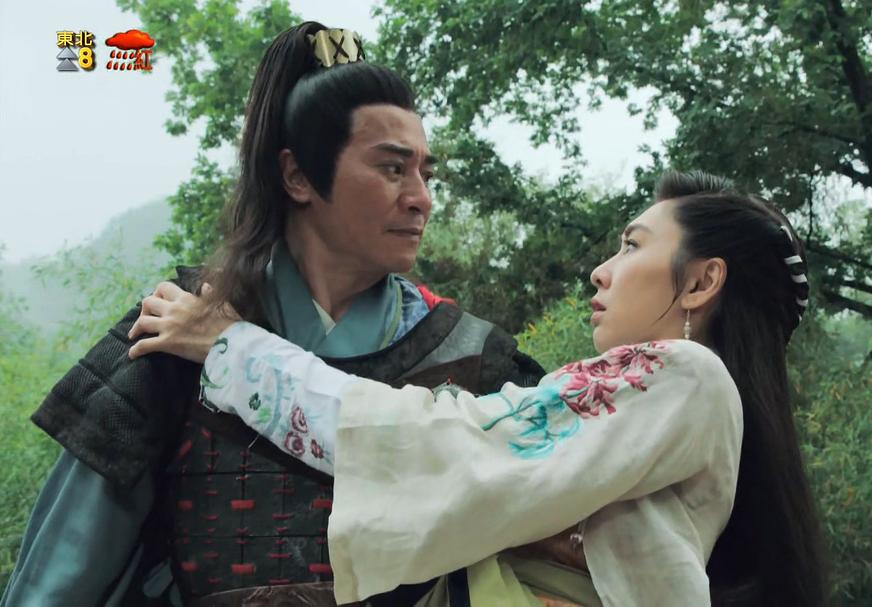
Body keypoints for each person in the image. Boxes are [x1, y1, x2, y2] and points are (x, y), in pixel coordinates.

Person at [2, 22, 550, 606]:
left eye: (425, 173)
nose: (421, 198)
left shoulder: (475, 361)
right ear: (297, 176)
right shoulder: (177, 331)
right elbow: (61, 576)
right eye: (393, 169)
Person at [129, 170, 830, 606]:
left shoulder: (686, 373)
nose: (602, 270)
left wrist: (235, 348)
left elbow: (454, 442)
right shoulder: (671, 404)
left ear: (702, 281)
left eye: (632, 244)